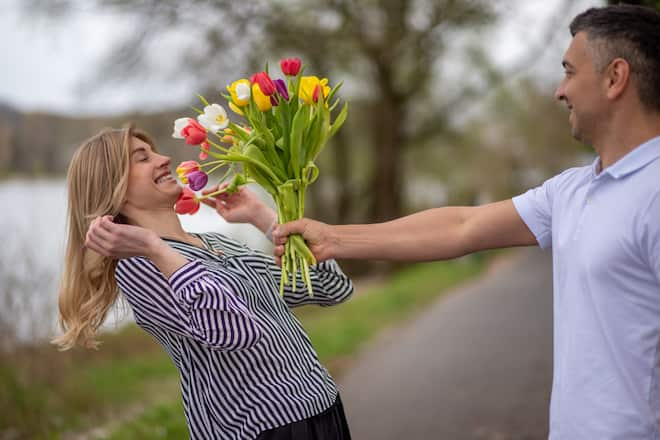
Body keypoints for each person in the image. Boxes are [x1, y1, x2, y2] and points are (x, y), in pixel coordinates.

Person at [273, 4, 660, 439]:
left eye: (569, 72)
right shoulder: (571, 189)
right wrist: (333, 238)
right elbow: (462, 226)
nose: (559, 91)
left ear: (615, 78)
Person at [52, 125, 354, 440]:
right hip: (265, 428)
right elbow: (238, 331)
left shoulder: (218, 243)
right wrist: (156, 248)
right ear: (113, 185)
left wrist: (262, 216)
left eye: (154, 151)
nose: (164, 158)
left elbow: (331, 286)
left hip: (322, 406)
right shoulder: (140, 266)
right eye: (143, 158)